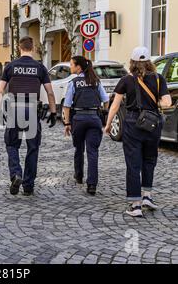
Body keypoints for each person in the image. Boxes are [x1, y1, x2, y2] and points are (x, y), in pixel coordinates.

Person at [105, 47, 171, 217]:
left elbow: (115, 105)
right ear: (149, 62)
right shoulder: (159, 79)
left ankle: (135, 206)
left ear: (132, 62)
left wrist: (108, 124)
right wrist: (155, 102)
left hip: (133, 123)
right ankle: (147, 195)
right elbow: (167, 103)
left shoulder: (126, 80)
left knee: (133, 163)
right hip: (152, 124)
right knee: (149, 160)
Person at [0, 36, 57, 196]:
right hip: (32, 109)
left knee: (11, 145)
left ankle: (16, 174)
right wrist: (53, 112)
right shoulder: (40, 67)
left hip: (14, 109)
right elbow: (50, 92)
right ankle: (28, 186)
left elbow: (0, 90)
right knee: (33, 148)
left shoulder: (11, 66)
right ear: (33, 48)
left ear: (19, 48)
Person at [63, 56, 109, 196]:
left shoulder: (73, 83)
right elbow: (106, 100)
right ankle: (92, 185)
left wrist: (67, 123)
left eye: (71, 65)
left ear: (79, 67)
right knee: (93, 151)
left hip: (79, 119)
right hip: (94, 119)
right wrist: (104, 114)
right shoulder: (95, 81)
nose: (70, 67)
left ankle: (78, 175)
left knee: (79, 148)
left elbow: (66, 106)